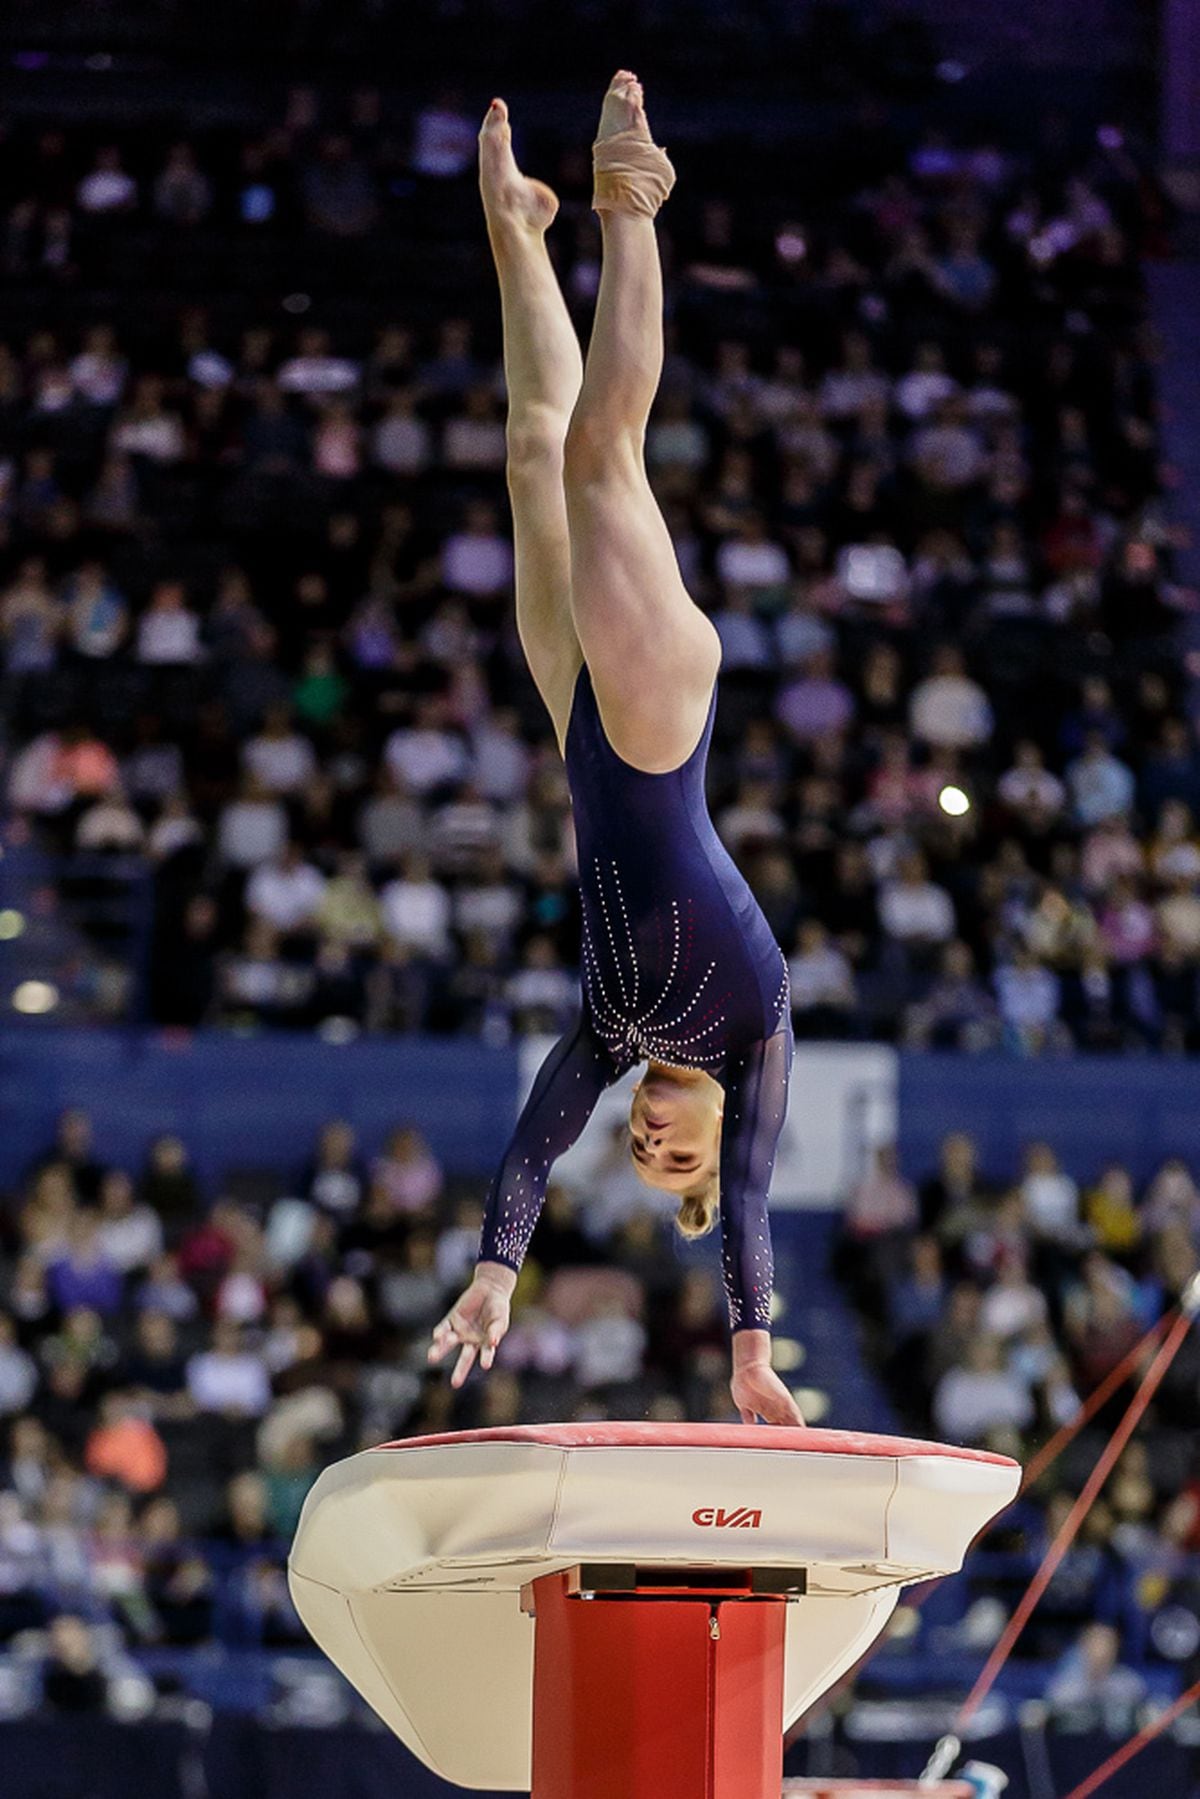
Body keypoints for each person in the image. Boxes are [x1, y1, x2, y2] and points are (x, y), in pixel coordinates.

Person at [429, 76, 799, 1427]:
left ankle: (519, 229)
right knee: (603, 459)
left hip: (583, 718)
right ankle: (632, 209)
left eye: (636, 1154)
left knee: (537, 458)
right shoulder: (755, 1041)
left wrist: (494, 1273)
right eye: (668, 1158)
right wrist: (750, 1347)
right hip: (657, 725)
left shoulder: (607, 1032)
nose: (647, 1139)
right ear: (703, 1154)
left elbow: (538, 1141)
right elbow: (752, 1204)